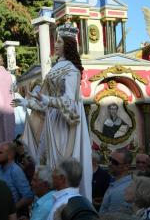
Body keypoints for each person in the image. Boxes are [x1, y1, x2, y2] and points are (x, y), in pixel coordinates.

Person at [12, 22, 92, 200]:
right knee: (47, 161)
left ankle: (64, 198)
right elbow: (43, 102)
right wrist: (25, 102)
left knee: (61, 160)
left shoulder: (71, 69)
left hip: (65, 122)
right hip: (52, 119)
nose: (56, 45)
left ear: (68, 45)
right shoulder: (56, 68)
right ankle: (51, 199)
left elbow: (70, 101)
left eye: (60, 42)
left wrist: (48, 100)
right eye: (56, 41)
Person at [0, 141, 33, 217]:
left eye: (0, 152)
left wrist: (11, 210)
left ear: (10, 155)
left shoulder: (16, 171)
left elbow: (28, 196)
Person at [99, 149, 133, 214]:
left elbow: (114, 217)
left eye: (115, 162)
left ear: (126, 166)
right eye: (110, 159)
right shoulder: (117, 183)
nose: (110, 164)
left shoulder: (121, 190)